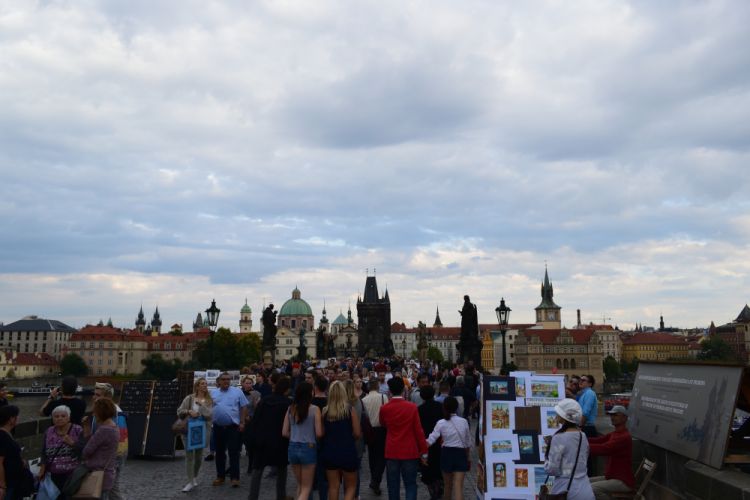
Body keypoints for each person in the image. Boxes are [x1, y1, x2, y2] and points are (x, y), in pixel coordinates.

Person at [379, 376, 428, 500]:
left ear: (390, 390)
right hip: (409, 451)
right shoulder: (411, 407)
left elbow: (383, 424)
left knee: (393, 485)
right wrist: (424, 451)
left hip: (392, 451)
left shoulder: (384, 408)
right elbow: (418, 431)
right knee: (410, 484)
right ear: (403, 389)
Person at [249, 376, 291, 500]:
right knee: (282, 470)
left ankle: (252, 497)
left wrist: (254, 437)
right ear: (287, 389)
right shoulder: (287, 403)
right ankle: (281, 496)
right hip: (280, 441)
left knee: (257, 471)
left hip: (262, 440)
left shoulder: (264, 400)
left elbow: (255, 420)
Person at [544, 399, 594, 500]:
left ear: (564, 417)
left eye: (558, 412)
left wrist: (547, 456)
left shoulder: (558, 438)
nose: (556, 414)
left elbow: (552, 470)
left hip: (566, 490)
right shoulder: (582, 435)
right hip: (585, 488)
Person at [425, 396, 471, 500]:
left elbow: (431, 439)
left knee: (447, 486)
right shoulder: (463, 421)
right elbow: (468, 442)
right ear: (457, 407)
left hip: (447, 454)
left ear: (444, 407)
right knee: (458, 487)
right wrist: (468, 457)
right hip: (460, 454)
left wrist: (421, 447)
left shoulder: (441, 423)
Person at [282, 382, 323, 500]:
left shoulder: (290, 409)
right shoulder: (315, 409)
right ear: (311, 393)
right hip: (308, 448)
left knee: (300, 485)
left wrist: (295, 435)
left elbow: (284, 432)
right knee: (306, 488)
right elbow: (319, 433)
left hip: (293, 447)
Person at [320, 381, 360, 500]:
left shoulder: (325, 411)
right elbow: (357, 433)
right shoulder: (350, 410)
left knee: (333, 487)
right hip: (347, 451)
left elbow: (321, 433)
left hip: (330, 452)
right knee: (351, 487)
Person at [588, 406, 635, 500]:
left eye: (616, 415)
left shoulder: (624, 437)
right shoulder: (615, 433)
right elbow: (599, 441)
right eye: (611, 415)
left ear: (624, 418)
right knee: (584, 482)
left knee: (592, 488)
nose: (612, 417)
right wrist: (579, 438)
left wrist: (582, 446)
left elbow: (605, 448)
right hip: (612, 476)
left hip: (622, 481)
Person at [91, 382, 128, 500]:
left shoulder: (113, 412)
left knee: (111, 487)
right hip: (112, 454)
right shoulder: (109, 409)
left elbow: (119, 438)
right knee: (111, 488)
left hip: (113, 455)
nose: (94, 397)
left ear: (107, 397)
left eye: (97, 395)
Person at [210, 372, 248, 487]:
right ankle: (220, 476)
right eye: (224, 379)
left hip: (232, 427)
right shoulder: (213, 393)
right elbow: (207, 407)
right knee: (220, 453)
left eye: (228, 379)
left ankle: (235, 478)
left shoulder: (237, 391)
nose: (226, 381)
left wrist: (242, 422)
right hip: (218, 427)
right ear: (219, 381)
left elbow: (244, 406)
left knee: (233, 452)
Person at [177, 377, 213, 492]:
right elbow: (179, 411)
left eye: (206, 384)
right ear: (197, 386)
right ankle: (190, 481)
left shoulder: (209, 400)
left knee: (198, 457)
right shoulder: (189, 398)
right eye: (202, 384)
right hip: (188, 429)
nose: (204, 386)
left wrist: (201, 406)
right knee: (189, 456)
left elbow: (209, 415)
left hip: (201, 430)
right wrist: (188, 411)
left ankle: (195, 476)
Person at [39, 405, 84, 495]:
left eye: (63, 416)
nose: (59, 418)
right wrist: (42, 468)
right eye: (56, 416)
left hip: (72, 475)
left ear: (69, 418)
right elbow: (43, 451)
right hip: (54, 475)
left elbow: (85, 450)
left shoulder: (77, 430)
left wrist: (72, 444)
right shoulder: (49, 431)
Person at [83, 398, 120, 500]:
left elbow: (87, 451)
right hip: (107, 474)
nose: (93, 414)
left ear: (100, 412)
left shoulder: (103, 430)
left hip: (98, 476)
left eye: (95, 411)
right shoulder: (114, 427)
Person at [362, 379, 388, 495]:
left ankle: (374, 478)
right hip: (381, 429)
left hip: (369, 430)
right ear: (377, 386)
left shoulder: (363, 400)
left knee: (372, 455)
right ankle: (376, 479)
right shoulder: (383, 397)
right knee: (382, 456)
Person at [417, 386, 443, 500]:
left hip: (425, 442)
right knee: (437, 465)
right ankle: (439, 487)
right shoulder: (440, 407)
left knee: (427, 468)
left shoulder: (419, 409)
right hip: (438, 441)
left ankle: (433, 491)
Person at [0, 405, 27, 500]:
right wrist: (2, 486)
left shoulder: (8, 433)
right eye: (17, 416)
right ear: (11, 419)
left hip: (14, 481)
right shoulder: (2, 436)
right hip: (8, 483)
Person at [344, 380, 365, 498]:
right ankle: (355, 495)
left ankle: (348, 492)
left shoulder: (340, 403)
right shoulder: (358, 402)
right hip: (357, 441)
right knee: (355, 471)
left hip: (344, 440)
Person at [240, 375, 261, 475]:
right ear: (242, 384)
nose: (248, 385)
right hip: (240, 420)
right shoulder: (239, 393)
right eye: (246, 383)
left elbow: (257, 408)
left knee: (250, 444)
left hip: (251, 421)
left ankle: (251, 465)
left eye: (250, 383)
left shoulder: (256, 394)